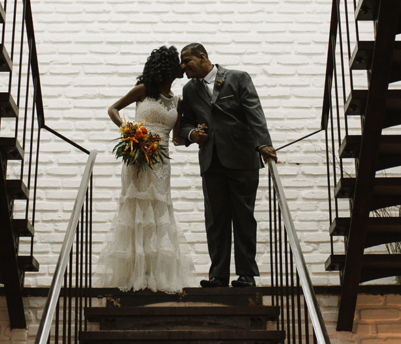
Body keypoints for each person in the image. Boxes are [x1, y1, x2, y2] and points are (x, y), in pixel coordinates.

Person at [96, 46, 196, 292]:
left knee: (159, 210)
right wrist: (129, 130)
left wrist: (197, 134)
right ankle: (134, 275)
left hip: (161, 162)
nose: (182, 67)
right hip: (138, 157)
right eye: (178, 63)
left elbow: (176, 139)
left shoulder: (177, 101)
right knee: (137, 211)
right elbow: (113, 109)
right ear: (167, 67)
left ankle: (155, 275)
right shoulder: (142, 92)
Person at [178, 43, 276, 289]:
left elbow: (255, 112)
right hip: (211, 162)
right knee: (215, 220)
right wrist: (192, 135)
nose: (184, 68)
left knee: (244, 218)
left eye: (187, 62)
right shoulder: (189, 89)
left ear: (202, 58)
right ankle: (218, 276)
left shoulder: (238, 78)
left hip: (242, 159)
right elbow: (185, 124)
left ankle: (246, 275)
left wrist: (264, 144)